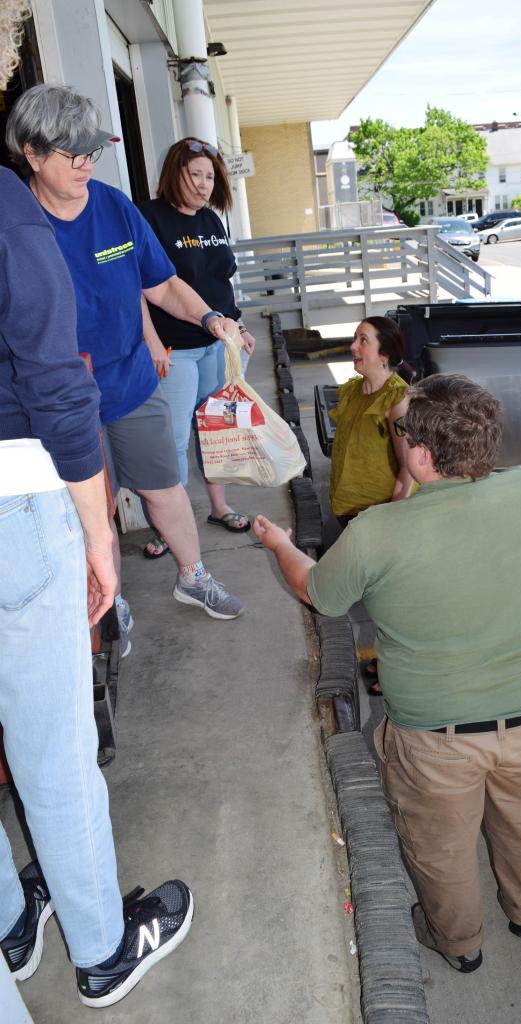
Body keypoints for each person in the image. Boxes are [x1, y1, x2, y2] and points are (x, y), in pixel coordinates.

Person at [253, 373, 521, 973]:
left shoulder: (378, 533)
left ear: (420, 454)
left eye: (401, 432)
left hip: (436, 737)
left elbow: (317, 590)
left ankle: (460, 945)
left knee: (440, 847)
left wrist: (278, 545)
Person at [0, 164, 192, 1008]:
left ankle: (11, 922)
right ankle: (104, 950)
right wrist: (98, 531)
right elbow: (51, 374)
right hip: (12, 494)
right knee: (54, 751)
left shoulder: (109, 209)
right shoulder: (7, 205)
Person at [6, 84, 244, 642]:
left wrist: (210, 318)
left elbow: (161, 285)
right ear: (32, 154)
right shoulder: (16, 223)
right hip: (61, 404)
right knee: (97, 510)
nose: (86, 165)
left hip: (132, 384)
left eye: (92, 151)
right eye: (72, 154)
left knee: (164, 488)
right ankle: (113, 603)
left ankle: (194, 575)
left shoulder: (114, 206)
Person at [138, 137, 255, 556]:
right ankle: (168, 526)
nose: (204, 185)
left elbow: (221, 284)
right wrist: (150, 341)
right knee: (172, 441)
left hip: (217, 346)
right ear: (175, 173)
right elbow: (142, 288)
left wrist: (237, 327)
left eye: (210, 176)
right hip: (176, 348)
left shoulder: (211, 221)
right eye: (195, 175)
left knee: (217, 431)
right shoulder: (150, 218)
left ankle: (219, 507)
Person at [329, 316, 414, 693]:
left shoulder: (397, 401)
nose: (353, 347)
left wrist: (395, 516)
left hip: (380, 517)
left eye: (363, 340)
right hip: (352, 514)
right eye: (355, 339)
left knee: (393, 601)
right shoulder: (352, 391)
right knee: (376, 599)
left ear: (386, 354)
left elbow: (409, 469)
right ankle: (386, 661)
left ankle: (399, 673)